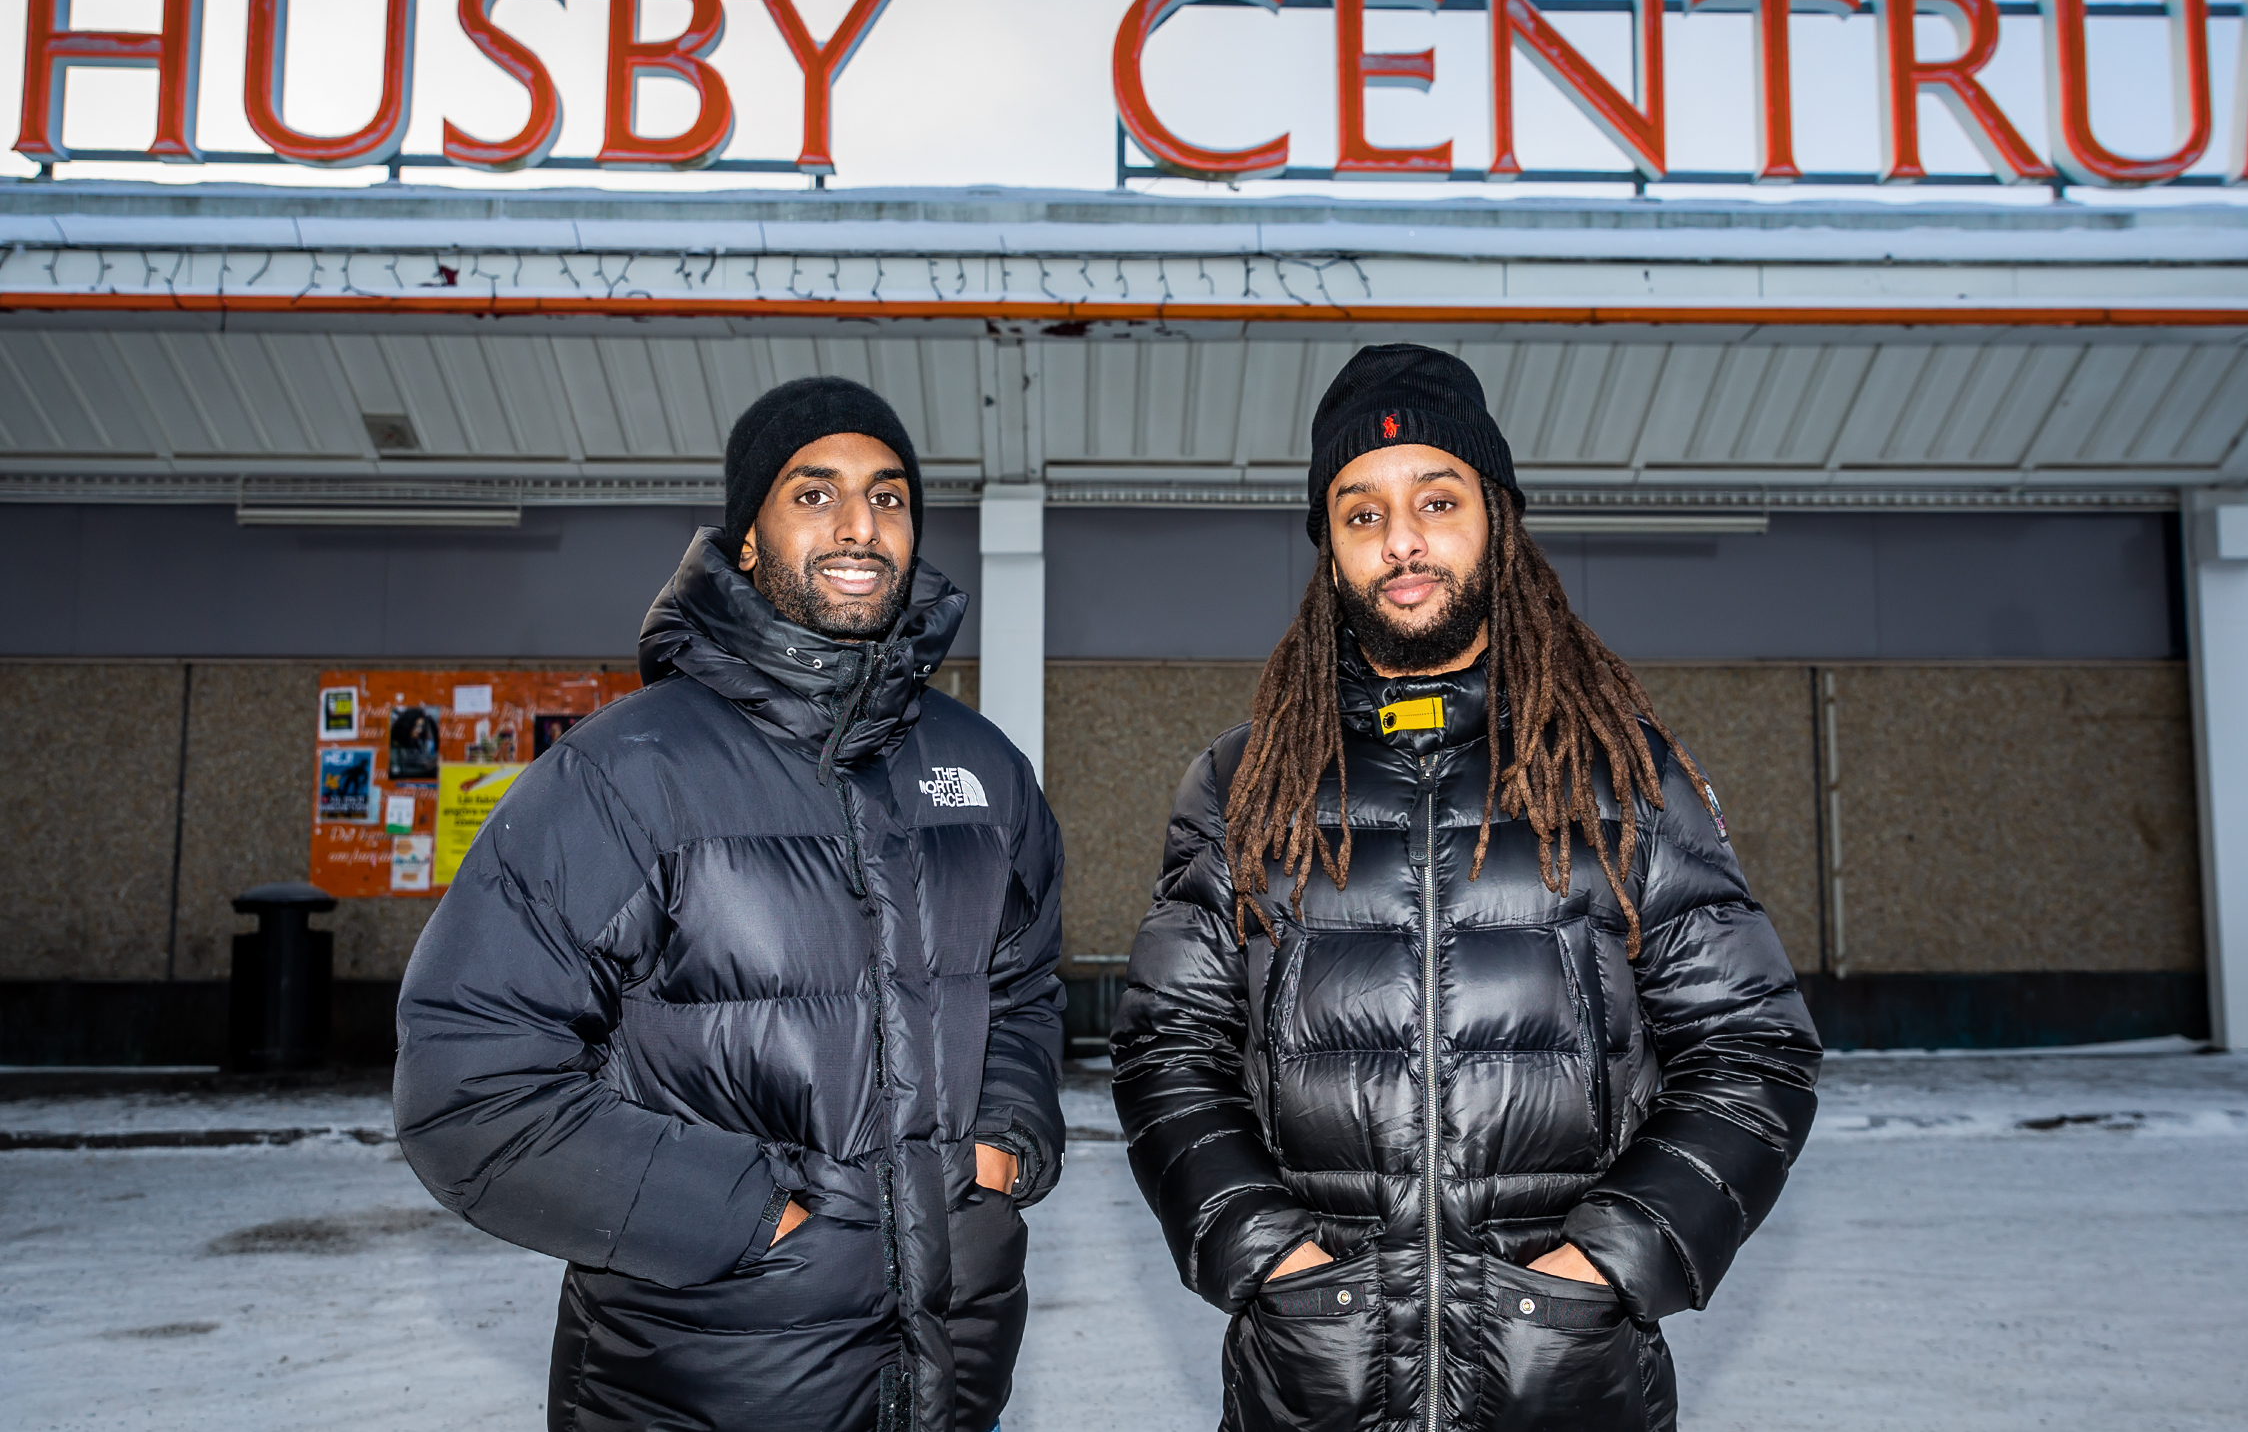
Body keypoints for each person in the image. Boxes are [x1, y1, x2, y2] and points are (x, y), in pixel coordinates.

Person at [1111, 344, 1820, 1432]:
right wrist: (1272, 1258)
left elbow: (1752, 1050)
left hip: (1566, 1377)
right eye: (1359, 513)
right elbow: (1168, 1050)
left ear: (1495, 517)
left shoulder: (1621, 773)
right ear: (1328, 553)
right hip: (1315, 1375)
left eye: (1435, 501)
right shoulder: (1245, 782)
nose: (1401, 541)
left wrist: (1602, 1267)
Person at [396, 376, 1064, 1432]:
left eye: (889, 497)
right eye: (815, 493)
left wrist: (1003, 1137)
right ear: (745, 539)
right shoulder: (625, 771)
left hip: (951, 1372)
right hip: (696, 1384)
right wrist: (753, 1216)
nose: (860, 525)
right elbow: (468, 1085)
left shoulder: (980, 769)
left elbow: (1022, 988)